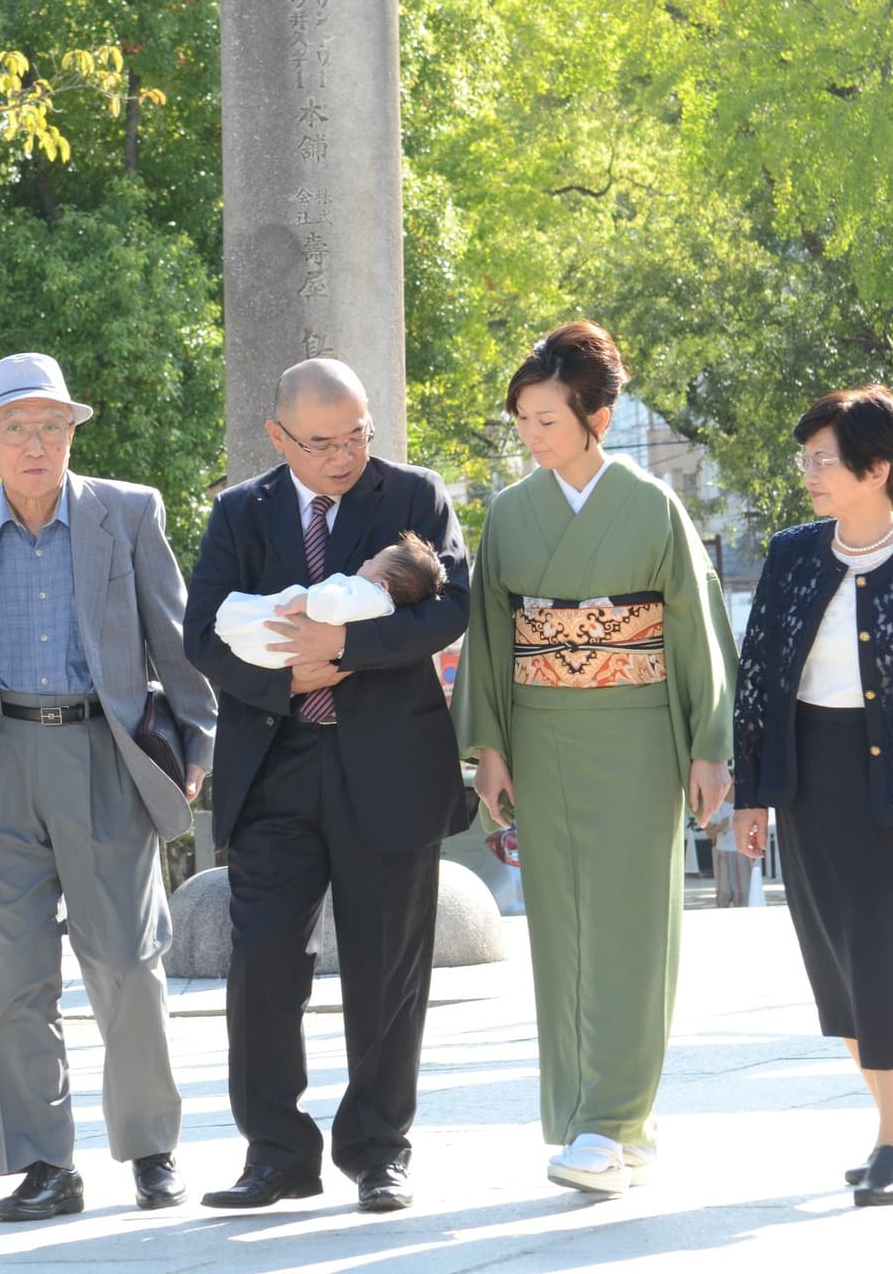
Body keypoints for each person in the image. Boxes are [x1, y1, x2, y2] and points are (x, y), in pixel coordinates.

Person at [0, 353, 216, 1221]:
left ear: (73, 431)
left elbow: (175, 635)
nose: (35, 443)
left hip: (103, 752)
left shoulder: (126, 513)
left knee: (126, 960)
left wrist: (198, 740)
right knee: (10, 975)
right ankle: (45, 1165)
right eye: (15, 427)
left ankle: (151, 1148)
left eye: (51, 425)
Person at [451, 321, 737, 1196]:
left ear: (597, 416)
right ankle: (591, 1120)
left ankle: (616, 1121)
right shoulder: (509, 514)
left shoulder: (652, 506)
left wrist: (709, 744)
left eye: (546, 418)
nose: (532, 436)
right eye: (524, 421)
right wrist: (489, 747)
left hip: (638, 730)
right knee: (563, 932)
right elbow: (493, 639)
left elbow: (694, 627)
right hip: (541, 732)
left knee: (630, 925)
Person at [183, 358, 471, 1214]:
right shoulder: (241, 512)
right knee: (264, 963)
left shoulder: (414, 497)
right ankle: (276, 1152)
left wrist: (340, 655)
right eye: (323, 442)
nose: (345, 455)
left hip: (387, 763)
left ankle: (378, 1149)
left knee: (387, 969)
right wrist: (293, 677)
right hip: (275, 766)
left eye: (358, 435)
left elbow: (446, 608)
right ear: (279, 438)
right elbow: (203, 635)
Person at [732, 384, 893, 1208]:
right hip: (810, 782)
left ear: (877, 470)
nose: (809, 473)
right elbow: (759, 680)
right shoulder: (793, 554)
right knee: (838, 973)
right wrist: (751, 792)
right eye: (805, 458)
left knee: (888, 964)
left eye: (824, 460)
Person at [215, 530, 447, 669]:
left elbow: (334, 604)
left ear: (383, 585)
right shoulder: (376, 600)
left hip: (295, 626)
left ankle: (230, 620)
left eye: (374, 561)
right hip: (291, 644)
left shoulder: (372, 596)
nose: (366, 562)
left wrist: (306, 601)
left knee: (248, 619)